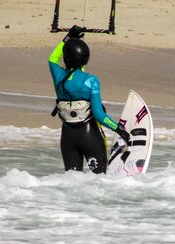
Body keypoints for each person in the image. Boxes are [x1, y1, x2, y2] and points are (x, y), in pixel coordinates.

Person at [49, 25, 130, 173]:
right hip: (89, 136)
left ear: (66, 57)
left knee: (72, 181)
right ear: (86, 59)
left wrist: (68, 38)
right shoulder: (91, 80)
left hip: (67, 138)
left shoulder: (58, 77)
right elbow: (99, 115)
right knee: (99, 179)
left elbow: (53, 58)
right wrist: (120, 130)